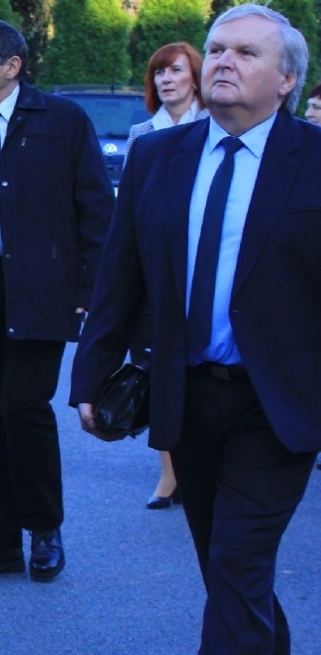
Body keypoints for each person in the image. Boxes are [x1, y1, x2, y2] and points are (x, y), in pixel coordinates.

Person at [73, 3, 321, 655]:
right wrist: (90, 377)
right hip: (191, 398)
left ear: (286, 79)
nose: (222, 61)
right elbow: (120, 276)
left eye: (246, 52)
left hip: (278, 405)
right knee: (227, 568)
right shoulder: (161, 157)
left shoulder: (314, 161)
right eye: (216, 48)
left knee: (241, 561)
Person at [0, 20, 112, 582]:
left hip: (40, 293)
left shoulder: (61, 122)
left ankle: (44, 530)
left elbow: (96, 212)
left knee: (22, 410)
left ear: (12, 66)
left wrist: (92, 293)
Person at [127, 42, 208, 511]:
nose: (165, 80)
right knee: (156, 369)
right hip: (153, 268)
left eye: (175, 70)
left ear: (195, 76)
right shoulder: (143, 133)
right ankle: (168, 472)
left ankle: (198, 466)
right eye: (158, 73)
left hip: (198, 266)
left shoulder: (214, 126)